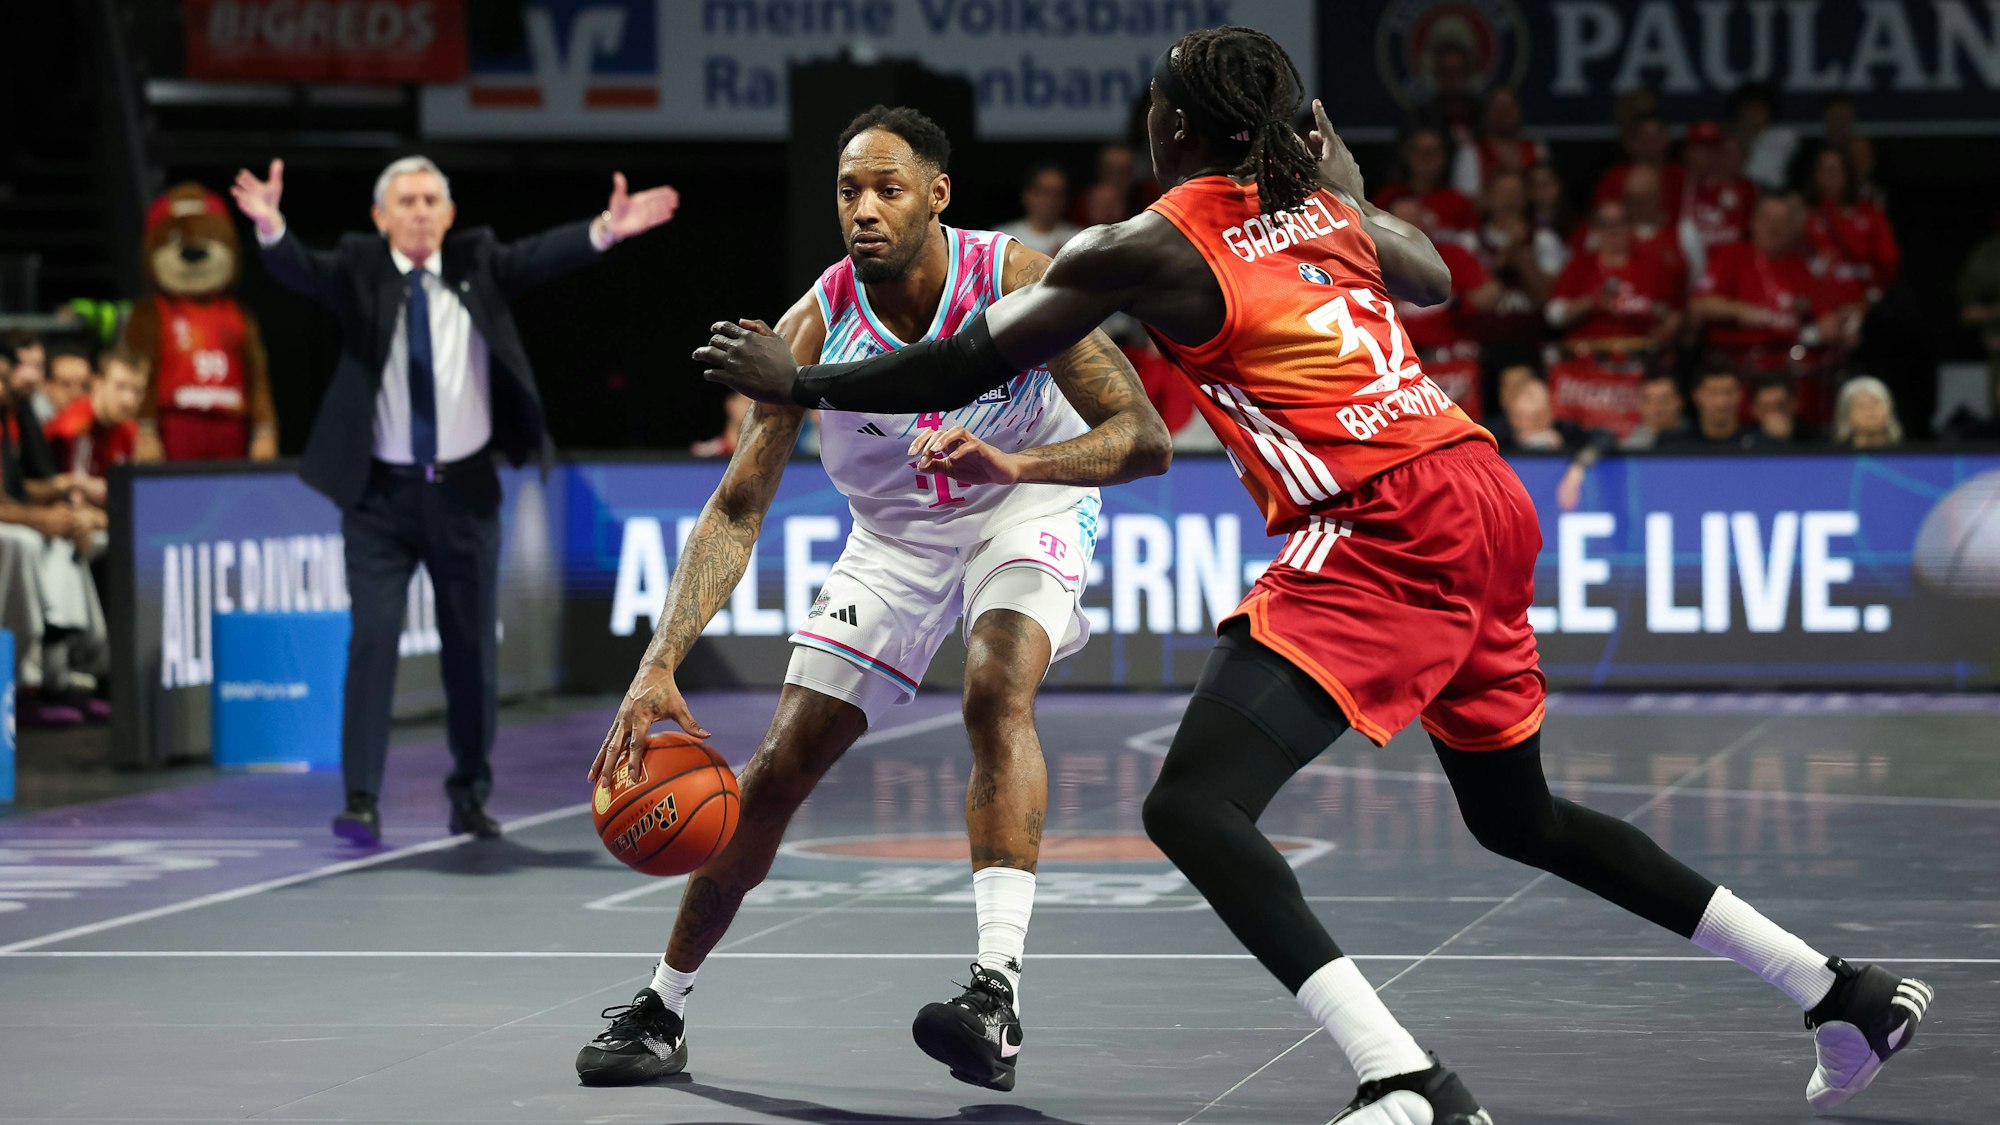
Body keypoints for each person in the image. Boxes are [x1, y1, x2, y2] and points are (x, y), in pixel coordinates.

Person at [697, 26, 1935, 1121]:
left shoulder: (1147, 244)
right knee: (1519, 819)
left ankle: (1402, 1079)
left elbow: (958, 365)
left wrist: (796, 382)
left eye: (1155, 103)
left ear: (1173, 127)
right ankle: (1838, 991)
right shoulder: (1332, 209)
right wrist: (1335, 173)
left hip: (1382, 522)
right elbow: (1438, 279)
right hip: (1483, 499)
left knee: (1190, 807)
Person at [581, 105, 1168, 1092]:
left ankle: (994, 989)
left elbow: (1142, 437)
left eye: (887, 188)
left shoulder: (1015, 280)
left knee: (995, 687)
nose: (863, 207)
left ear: (936, 196)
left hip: (1020, 501)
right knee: (774, 770)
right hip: (892, 540)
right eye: (848, 189)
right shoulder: (811, 326)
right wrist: (655, 667)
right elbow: (734, 510)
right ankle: (661, 1006)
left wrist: (1012, 460)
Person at [230, 155, 680, 845]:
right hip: (380, 497)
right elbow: (302, 270)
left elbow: (540, 258)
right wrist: (270, 227)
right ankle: (360, 800)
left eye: (429, 199)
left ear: (448, 212)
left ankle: (470, 793)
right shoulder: (361, 266)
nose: (417, 210)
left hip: (465, 491)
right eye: (404, 200)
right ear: (380, 217)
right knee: (373, 639)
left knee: (470, 649)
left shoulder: (478, 261)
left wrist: (604, 229)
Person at [0, 341, 109, 726]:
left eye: (4, 377)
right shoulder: (40, 421)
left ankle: (61, 681)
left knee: (63, 532)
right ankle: (24, 686)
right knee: (24, 540)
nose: (6, 386)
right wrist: (39, 518)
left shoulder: (11, 418)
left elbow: (19, 489)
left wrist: (57, 511)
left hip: (14, 519)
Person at [1547, 199, 1683, 354]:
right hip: (1586, 357)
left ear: (1630, 227)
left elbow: (1672, 313)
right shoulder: (1580, 264)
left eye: (1620, 223)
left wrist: (1667, 327)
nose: (1613, 231)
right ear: (1595, 230)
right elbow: (1553, 315)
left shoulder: (1651, 267)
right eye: (1606, 224)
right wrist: (1590, 302)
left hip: (1639, 354)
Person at [1804, 146, 1899, 304]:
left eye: (1835, 170)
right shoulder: (1804, 217)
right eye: (1825, 170)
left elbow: (1888, 260)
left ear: (1847, 174)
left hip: (1862, 302)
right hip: (1821, 305)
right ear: (1816, 176)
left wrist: (1874, 293)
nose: (1830, 176)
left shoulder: (1871, 215)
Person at [44, 347, 143, 478]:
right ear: (98, 383)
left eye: (138, 391)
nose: (129, 401)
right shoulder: (70, 428)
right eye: (120, 387)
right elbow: (75, 490)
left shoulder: (128, 429)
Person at [1373, 126, 1478, 238]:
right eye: (1419, 151)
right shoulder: (1387, 197)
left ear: (1444, 157)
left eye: (1432, 152)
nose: (1425, 159)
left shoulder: (1459, 204)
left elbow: (1470, 246)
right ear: (1407, 154)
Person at [1590, 114, 1685, 225]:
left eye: (1656, 137)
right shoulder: (1615, 176)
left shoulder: (1681, 175)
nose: (1650, 143)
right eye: (1644, 137)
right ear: (1630, 143)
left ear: (1666, 139)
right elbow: (1602, 217)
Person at [1660, 368, 1781, 450]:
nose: (1722, 402)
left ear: (1740, 394)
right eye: (1713, 393)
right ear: (1696, 395)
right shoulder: (1674, 445)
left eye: (1729, 392)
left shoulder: (1763, 445)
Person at [996, 163, 1080, 257]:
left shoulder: (1078, 241)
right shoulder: (1002, 240)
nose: (1051, 200)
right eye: (1045, 192)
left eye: (1058, 193)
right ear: (1027, 195)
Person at [1833, 375, 1902, 449]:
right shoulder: (1830, 457)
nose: (1869, 410)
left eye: (1875, 403)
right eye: (1861, 405)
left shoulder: (1907, 455)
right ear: (1846, 414)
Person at [1621, 372, 1688, 449]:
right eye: (1648, 401)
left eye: (1664, 400)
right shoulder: (1626, 449)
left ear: (1680, 401)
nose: (1655, 409)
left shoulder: (1697, 441)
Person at [36, 347, 91, 425]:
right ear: (46, 386)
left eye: (84, 386)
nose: (77, 393)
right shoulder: (32, 422)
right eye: (66, 385)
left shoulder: (90, 424)